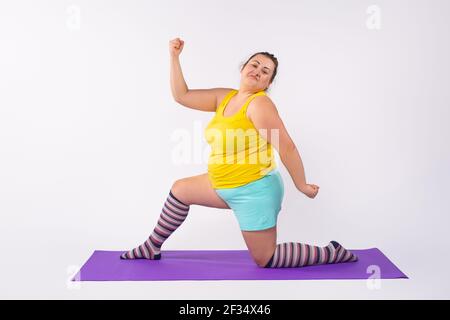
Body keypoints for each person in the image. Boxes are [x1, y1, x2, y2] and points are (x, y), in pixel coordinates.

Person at [120, 37, 358, 268]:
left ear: (268, 83)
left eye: (265, 71)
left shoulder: (259, 105)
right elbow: (182, 96)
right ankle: (151, 246)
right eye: (254, 64)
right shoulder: (225, 96)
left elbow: (286, 146)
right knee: (180, 190)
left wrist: (302, 185)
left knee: (266, 259)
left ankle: (330, 252)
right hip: (221, 183)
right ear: (243, 67)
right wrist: (174, 57)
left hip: (253, 190)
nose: (258, 71)